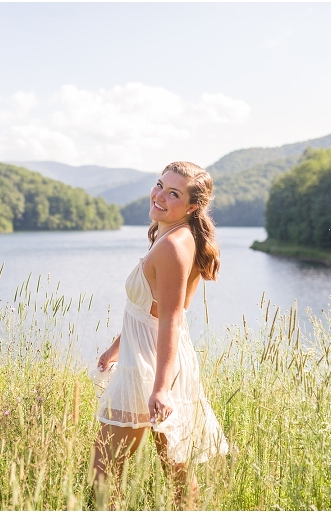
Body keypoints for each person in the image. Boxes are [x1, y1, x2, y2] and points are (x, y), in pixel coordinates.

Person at [90, 161, 228, 509]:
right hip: (147, 359)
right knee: (175, 472)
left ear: (193, 206)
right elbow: (149, 311)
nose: (159, 196)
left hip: (152, 367)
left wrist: (161, 388)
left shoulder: (173, 246)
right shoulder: (172, 235)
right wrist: (116, 348)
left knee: (104, 470)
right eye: (159, 185)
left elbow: (170, 319)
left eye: (174, 193)